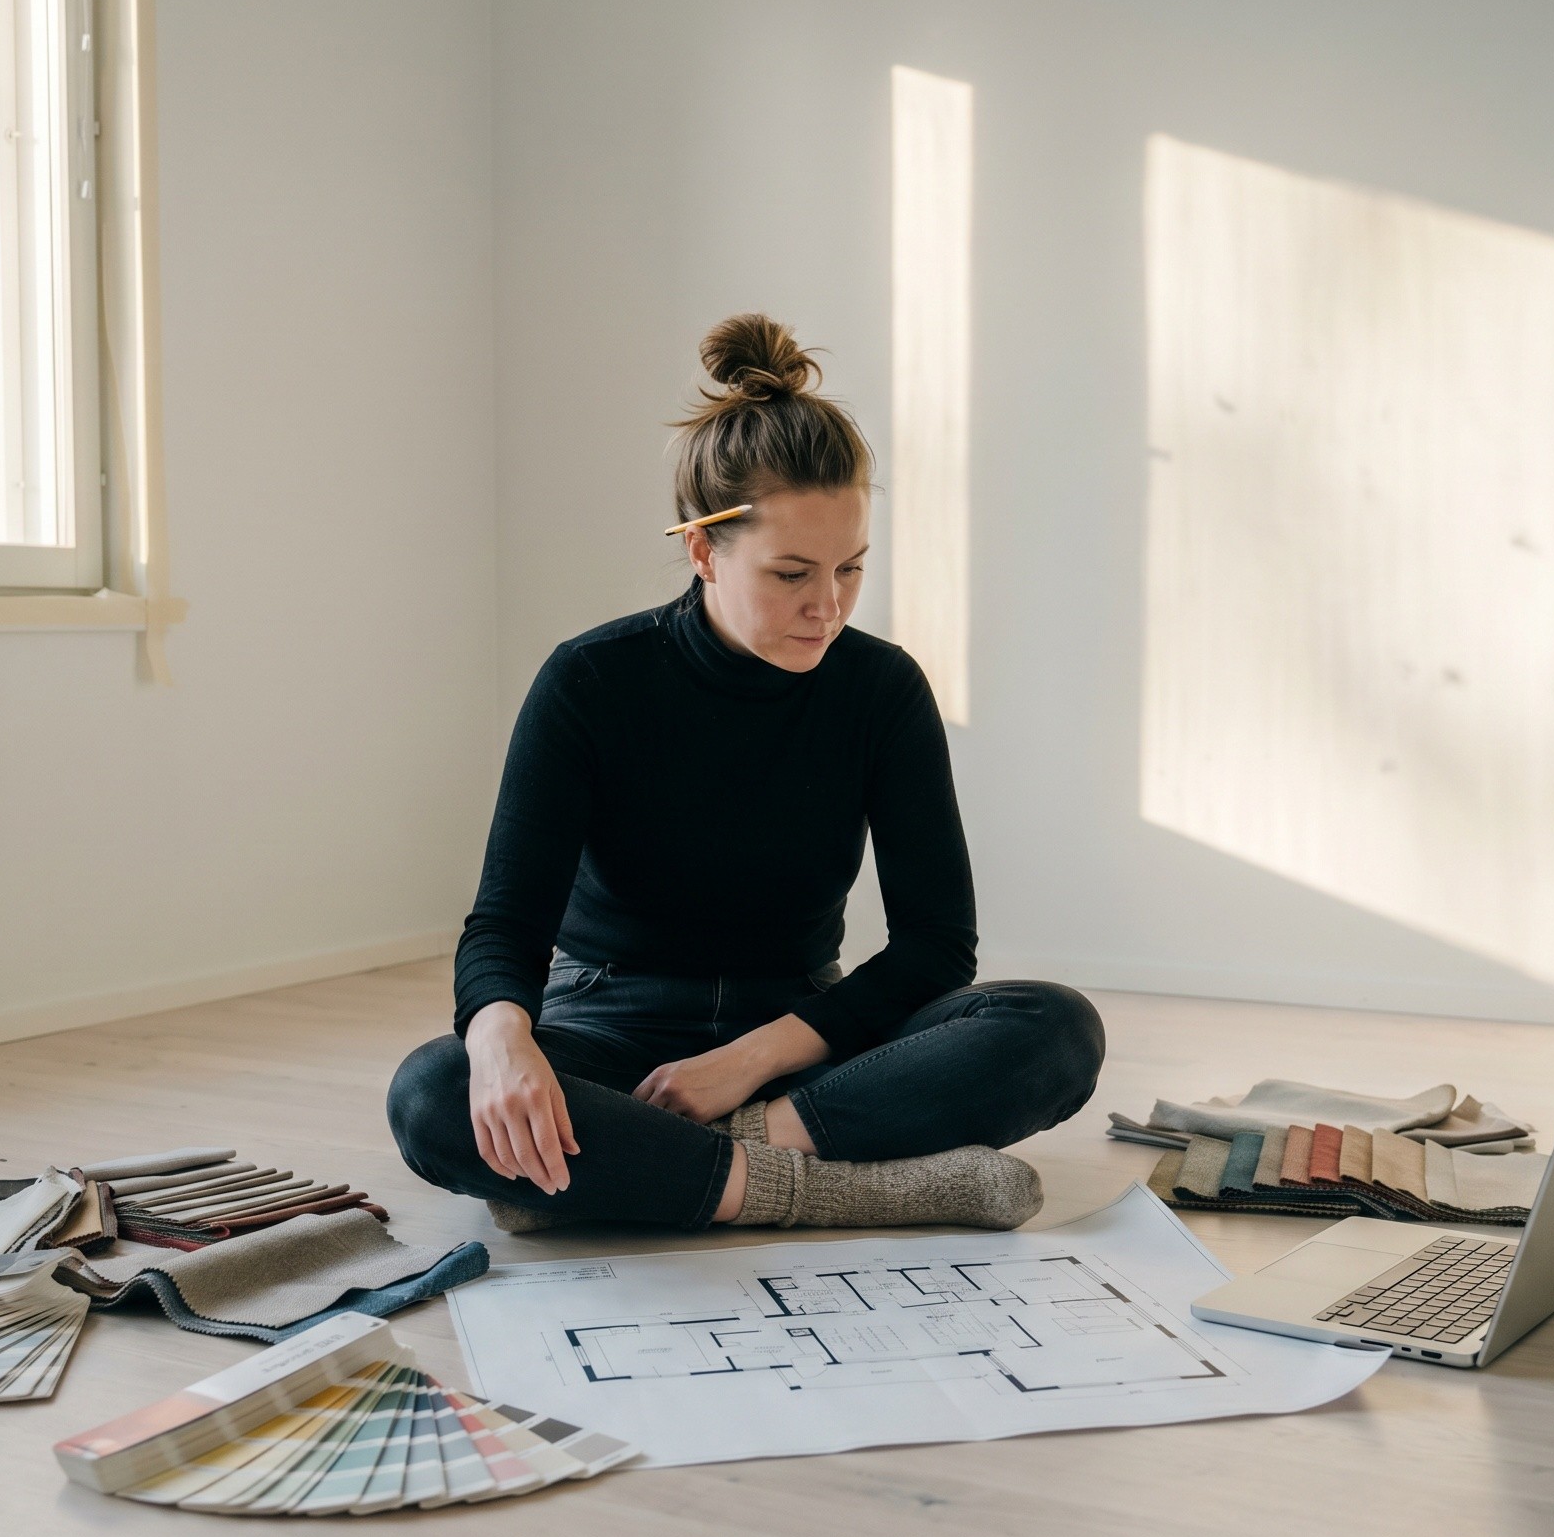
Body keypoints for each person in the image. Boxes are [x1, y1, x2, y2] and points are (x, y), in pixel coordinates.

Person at [387, 314, 1105, 1232]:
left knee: (1055, 1028)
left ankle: (638, 1170)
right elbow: (504, 925)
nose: (828, 607)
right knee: (433, 1091)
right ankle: (839, 1188)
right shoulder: (590, 680)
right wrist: (498, 1041)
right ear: (702, 549)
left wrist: (751, 1065)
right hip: (609, 1024)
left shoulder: (882, 689)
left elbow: (935, 946)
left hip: (797, 1031)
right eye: (792, 573)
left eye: (850, 570)